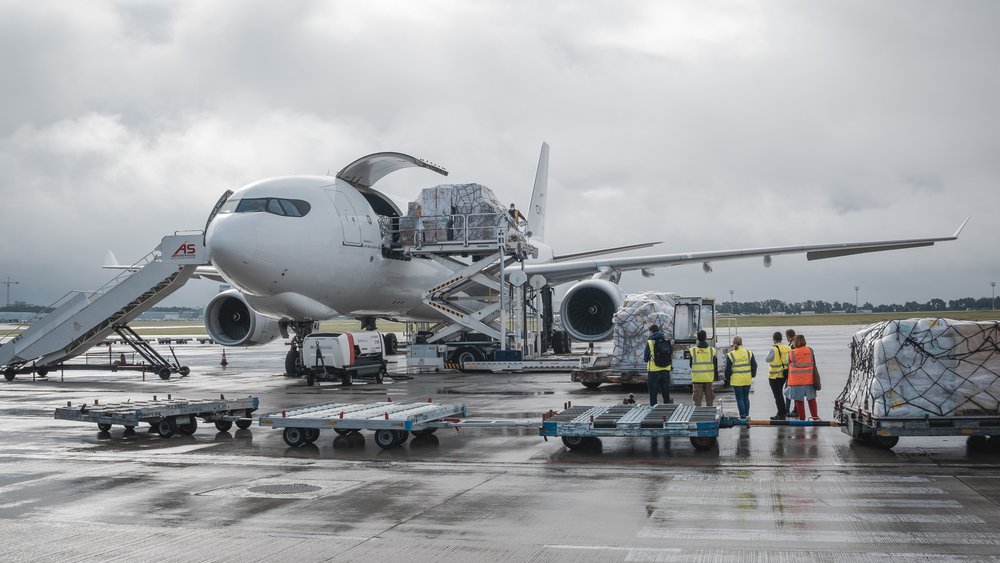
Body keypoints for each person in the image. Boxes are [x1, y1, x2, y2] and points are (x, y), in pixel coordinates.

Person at [787, 334, 820, 420]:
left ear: (796, 342)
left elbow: (788, 362)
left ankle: (802, 419)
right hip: (809, 380)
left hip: (796, 381)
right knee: (812, 399)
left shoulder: (791, 353)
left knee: (799, 401)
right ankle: (815, 417)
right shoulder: (810, 350)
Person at [725, 335, 757, 419]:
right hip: (747, 379)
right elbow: (754, 366)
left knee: (739, 399)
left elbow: (728, 369)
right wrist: (752, 375)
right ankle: (747, 415)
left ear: (733, 343)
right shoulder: (749, 353)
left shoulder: (730, 354)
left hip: (736, 380)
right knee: (746, 398)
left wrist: (727, 379)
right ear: (741, 343)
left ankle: (742, 416)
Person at [642, 324, 673, 405]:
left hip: (653, 371)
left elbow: (645, 359)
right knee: (666, 393)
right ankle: (667, 409)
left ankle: (653, 409)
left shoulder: (650, 342)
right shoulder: (667, 341)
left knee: (653, 394)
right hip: (666, 370)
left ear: (651, 332)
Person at [764, 331, 790, 420]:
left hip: (775, 376)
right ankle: (783, 412)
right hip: (784, 374)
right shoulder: (788, 348)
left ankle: (781, 413)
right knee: (780, 395)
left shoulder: (774, 349)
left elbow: (767, 359)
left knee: (778, 396)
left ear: (774, 339)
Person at [688, 329, 717, 406]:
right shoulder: (712, 350)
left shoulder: (692, 351)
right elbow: (714, 364)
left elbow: (690, 365)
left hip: (697, 379)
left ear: (698, 338)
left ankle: (697, 415)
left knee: (697, 400)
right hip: (708, 379)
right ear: (706, 337)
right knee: (710, 399)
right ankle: (710, 415)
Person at [784, 328, 797, 418]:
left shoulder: (792, 346)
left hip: (792, 372)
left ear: (788, 336)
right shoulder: (797, 343)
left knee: (788, 390)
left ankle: (788, 409)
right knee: (795, 391)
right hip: (796, 372)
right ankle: (794, 409)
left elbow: (790, 359)